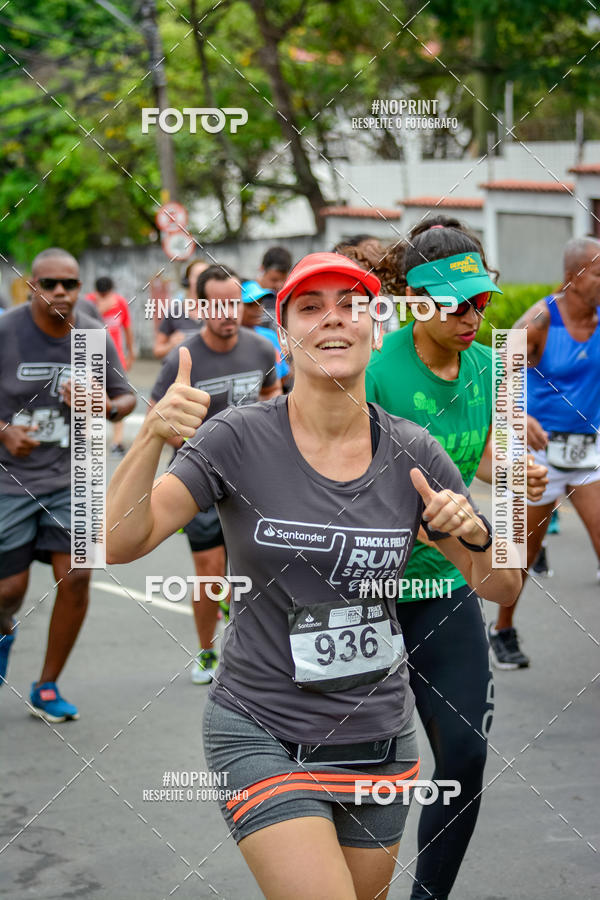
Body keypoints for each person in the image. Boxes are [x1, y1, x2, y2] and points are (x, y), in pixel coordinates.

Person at [106, 251, 520, 900]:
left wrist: (473, 534)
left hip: (377, 738)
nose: (333, 319)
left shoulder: (414, 450)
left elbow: (502, 588)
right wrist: (151, 436)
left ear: (374, 326)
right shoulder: (236, 439)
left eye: (350, 305)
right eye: (310, 306)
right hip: (261, 726)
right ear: (285, 329)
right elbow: (118, 540)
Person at [360, 217, 545, 899]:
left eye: (481, 301)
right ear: (412, 298)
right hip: (370, 595)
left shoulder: (488, 366)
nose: (471, 317)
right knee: (369, 768)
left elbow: (476, 457)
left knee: (464, 756)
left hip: (445, 584)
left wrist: (513, 473)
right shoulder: (376, 372)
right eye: (453, 303)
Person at [0, 248, 136, 721]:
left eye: (70, 284)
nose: (60, 292)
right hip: (10, 479)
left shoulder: (92, 335)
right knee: (8, 590)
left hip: (74, 475)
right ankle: (5, 627)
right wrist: (4, 430)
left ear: (80, 287)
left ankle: (47, 686)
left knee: (77, 576)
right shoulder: (7, 331)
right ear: (32, 286)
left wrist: (103, 404)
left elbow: (125, 400)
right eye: (50, 283)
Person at [149, 263, 281, 684]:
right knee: (209, 569)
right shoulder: (182, 358)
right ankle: (207, 652)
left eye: (234, 303)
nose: (228, 313)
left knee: (262, 568)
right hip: (201, 480)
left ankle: (261, 650)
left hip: (255, 479)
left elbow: (272, 394)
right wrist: (190, 443)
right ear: (200, 306)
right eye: (217, 305)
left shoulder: (262, 349)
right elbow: (157, 417)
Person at [490, 236, 600, 666]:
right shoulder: (537, 321)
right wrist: (518, 418)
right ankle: (503, 629)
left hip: (587, 449)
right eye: (598, 274)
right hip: (536, 449)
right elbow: (497, 381)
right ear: (573, 278)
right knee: (525, 551)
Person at [87, 275, 136, 455]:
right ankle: (87, 439)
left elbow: (127, 329)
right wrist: (100, 309)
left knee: (118, 399)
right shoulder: (88, 303)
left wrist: (131, 354)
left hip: (115, 359)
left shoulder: (120, 302)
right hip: (92, 358)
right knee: (88, 398)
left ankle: (117, 442)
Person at [153, 259, 208, 359]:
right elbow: (158, 350)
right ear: (187, 280)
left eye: (206, 276)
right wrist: (170, 345)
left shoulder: (218, 311)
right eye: (198, 276)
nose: (202, 280)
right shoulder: (175, 312)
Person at [241, 279, 292, 389]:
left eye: (260, 303)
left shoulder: (270, 336)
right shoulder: (227, 341)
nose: (259, 309)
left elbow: (284, 374)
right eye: (251, 304)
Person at [256, 245, 292, 327]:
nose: (279, 285)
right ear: (262, 270)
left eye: (283, 280)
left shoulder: (287, 299)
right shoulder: (247, 296)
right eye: (274, 280)